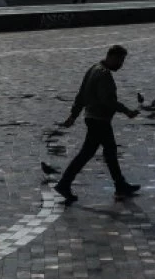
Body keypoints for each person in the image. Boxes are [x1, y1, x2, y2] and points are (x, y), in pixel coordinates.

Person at [55, 45, 141, 204]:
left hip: (93, 118)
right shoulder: (103, 74)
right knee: (98, 153)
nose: (121, 65)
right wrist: (126, 111)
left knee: (105, 153)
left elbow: (81, 95)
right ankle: (64, 184)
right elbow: (107, 100)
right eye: (120, 61)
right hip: (99, 119)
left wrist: (73, 115)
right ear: (112, 57)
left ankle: (119, 185)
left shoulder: (93, 68)